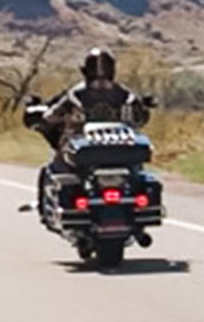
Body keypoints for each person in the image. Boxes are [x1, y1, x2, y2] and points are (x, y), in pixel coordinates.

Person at [33, 51, 146, 216]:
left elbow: (52, 116)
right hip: (121, 149)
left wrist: (48, 118)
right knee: (136, 171)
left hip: (84, 149)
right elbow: (142, 116)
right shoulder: (123, 93)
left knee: (55, 168)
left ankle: (48, 211)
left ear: (85, 70)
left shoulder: (76, 94)